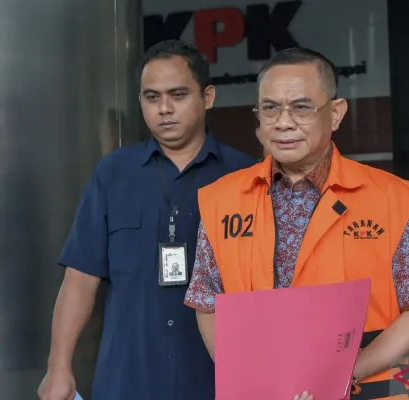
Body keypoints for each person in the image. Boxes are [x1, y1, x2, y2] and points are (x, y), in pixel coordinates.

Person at [184, 47, 409, 400]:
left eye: (301, 107)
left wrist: (341, 374)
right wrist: (250, 379)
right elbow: (207, 304)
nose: (283, 122)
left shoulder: (388, 198)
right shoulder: (222, 200)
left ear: (335, 113)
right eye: (270, 108)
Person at [37, 39, 256, 400]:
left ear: (208, 96)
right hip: (127, 379)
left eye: (178, 95)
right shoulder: (113, 173)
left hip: (218, 381)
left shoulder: (245, 177)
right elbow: (79, 280)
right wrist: (58, 366)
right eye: (152, 97)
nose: (164, 109)